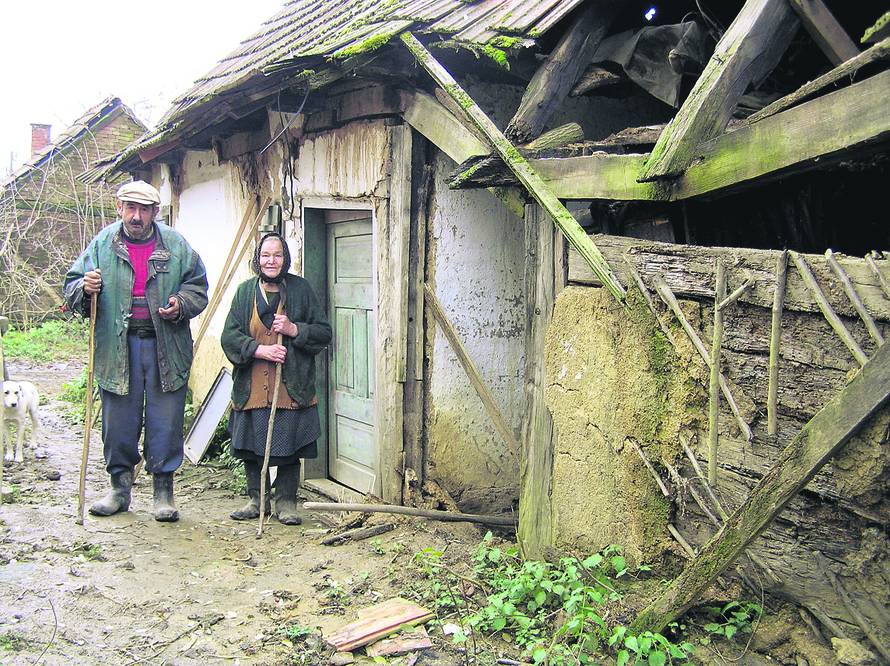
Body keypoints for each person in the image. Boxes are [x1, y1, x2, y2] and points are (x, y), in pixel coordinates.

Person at [64, 180, 208, 522]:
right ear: (119, 207)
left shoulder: (175, 245)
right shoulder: (102, 245)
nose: (136, 216)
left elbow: (198, 286)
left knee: (166, 419)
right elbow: (71, 286)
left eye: (144, 210)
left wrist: (181, 303)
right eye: (131, 208)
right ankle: (119, 489)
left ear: (155, 212)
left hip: (165, 345)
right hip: (117, 346)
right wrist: (85, 287)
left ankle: (163, 492)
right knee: (119, 420)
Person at [221, 232, 331, 525]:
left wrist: (295, 330)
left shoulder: (301, 289)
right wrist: (259, 350)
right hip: (253, 386)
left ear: (286, 258)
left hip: (289, 386)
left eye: (278, 255)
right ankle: (256, 501)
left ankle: (286, 503)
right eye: (266, 255)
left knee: (289, 446)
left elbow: (324, 332)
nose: (271, 261)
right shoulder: (245, 292)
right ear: (258, 259)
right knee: (251, 447)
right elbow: (229, 336)